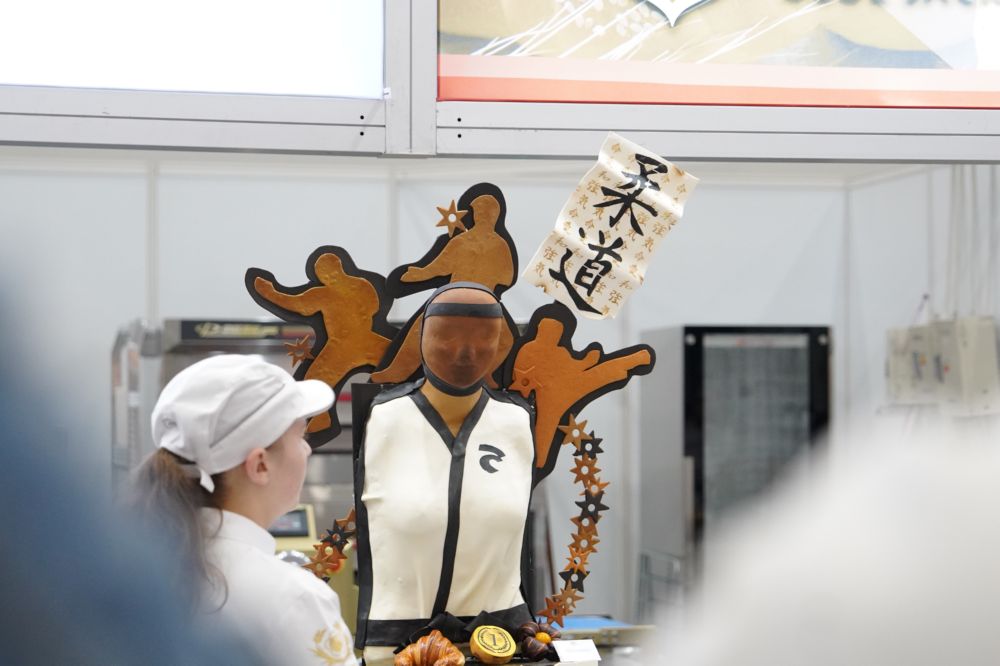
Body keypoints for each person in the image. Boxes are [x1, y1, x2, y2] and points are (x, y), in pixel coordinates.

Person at [127, 354, 355, 665]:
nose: (307, 450)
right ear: (260, 465)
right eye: (301, 436)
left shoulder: (141, 575)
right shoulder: (293, 599)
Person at [355, 282, 536, 661]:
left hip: (498, 648)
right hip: (396, 648)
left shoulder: (515, 422)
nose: (465, 351)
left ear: (501, 342)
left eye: (484, 336)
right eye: (447, 334)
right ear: (422, 337)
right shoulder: (386, 419)